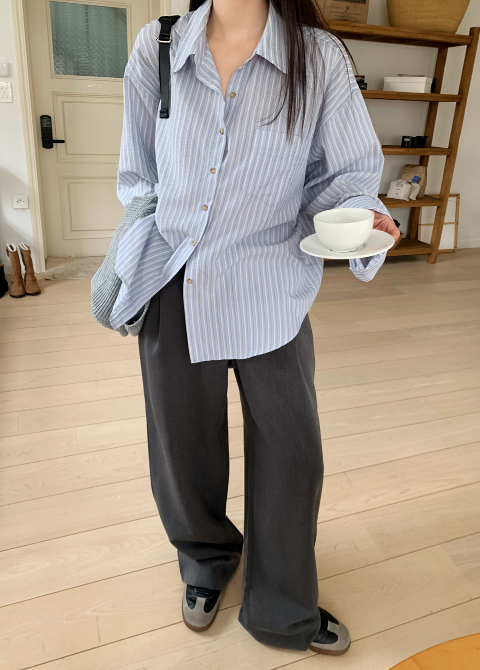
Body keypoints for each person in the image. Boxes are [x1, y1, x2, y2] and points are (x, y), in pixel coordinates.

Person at [112, 0, 400, 656]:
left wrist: (364, 217)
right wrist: (142, 253)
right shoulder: (158, 49)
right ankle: (206, 559)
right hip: (174, 280)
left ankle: (282, 606)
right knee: (181, 445)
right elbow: (138, 178)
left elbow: (346, 178)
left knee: (292, 452)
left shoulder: (319, 59)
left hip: (271, 284)